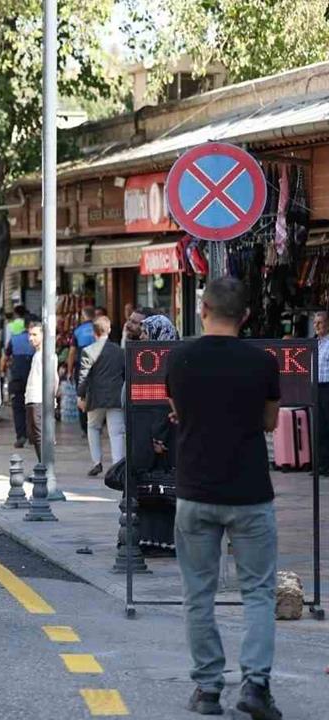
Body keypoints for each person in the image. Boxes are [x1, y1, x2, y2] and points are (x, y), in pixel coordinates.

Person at [165, 277, 282, 720]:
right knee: (258, 592)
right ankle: (255, 687)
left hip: (195, 492)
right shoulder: (263, 363)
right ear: (246, 316)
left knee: (198, 593)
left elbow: (177, 411)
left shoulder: (180, 359)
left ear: (203, 310)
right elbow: (270, 422)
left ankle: (208, 689)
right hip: (250, 492)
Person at [76, 316, 125, 477]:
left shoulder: (88, 351)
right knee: (117, 432)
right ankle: (117, 466)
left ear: (94, 332)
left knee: (93, 427)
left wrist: (80, 396)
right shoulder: (119, 351)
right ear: (109, 330)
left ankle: (97, 462)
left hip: (96, 397)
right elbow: (125, 374)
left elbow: (83, 377)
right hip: (116, 396)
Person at [1, 306, 34, 449]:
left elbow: (5, 357)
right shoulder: (39, 341)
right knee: (34, 407)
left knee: (18, 407)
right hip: (34, 379)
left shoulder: (14, 339)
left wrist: (3, 371)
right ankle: (33, 435)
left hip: (17, 377)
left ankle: (21, 435)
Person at [23, 323, 55, 461]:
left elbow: (53, 378)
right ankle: (43, 464)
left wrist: (51, 398)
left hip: (39, 398)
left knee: (39, 434)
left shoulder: (47, 354)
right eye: (30, 334)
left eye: (35, 334)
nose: (31, 338)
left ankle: (45, 465)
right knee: (34, 435)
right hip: (32, 398)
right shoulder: (37, 354)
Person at [67, 306, 97, 434]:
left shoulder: (78, 330)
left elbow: (72, 352)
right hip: (98, 365)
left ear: (83, 316)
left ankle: (85, 427)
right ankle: (97, 423)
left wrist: (69, 371)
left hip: (83, 366)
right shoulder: (98, 328)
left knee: (82, 394)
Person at [316, 311, 329, 474]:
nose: (317, 326)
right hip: (317, 388)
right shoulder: (315, 343)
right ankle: (322, 464)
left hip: (327, 387)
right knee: (319, 428)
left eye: (320, 322)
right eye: (315, 323)